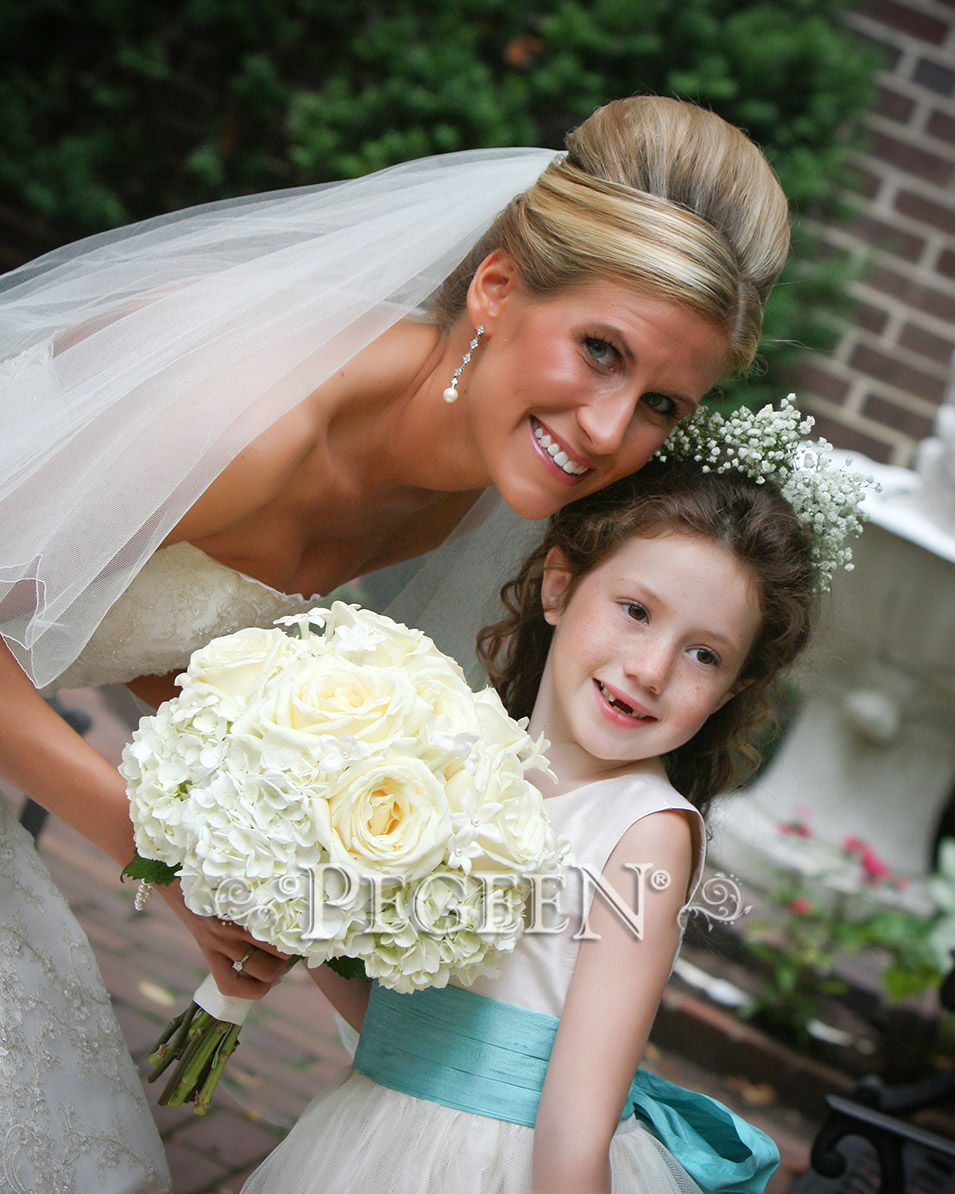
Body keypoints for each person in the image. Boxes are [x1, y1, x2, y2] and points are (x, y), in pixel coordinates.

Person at [0, 96, 789, 1191]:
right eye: (597, 352)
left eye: (659, 403)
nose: (609, 434)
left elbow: (131, 609)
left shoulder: (454, 485)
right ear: (498, 286)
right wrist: (165, 855)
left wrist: (284, 815)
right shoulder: (257, 419)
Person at [238, 399, 869, 1194]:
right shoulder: (453, 764)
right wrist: (297, 913)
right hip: (376, 1129)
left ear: (733, 686)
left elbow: (576, 1124)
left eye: (702, 653)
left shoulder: (644, 833)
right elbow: (404, 1025)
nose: (650, 669)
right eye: (635, 612)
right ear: (560, 586)